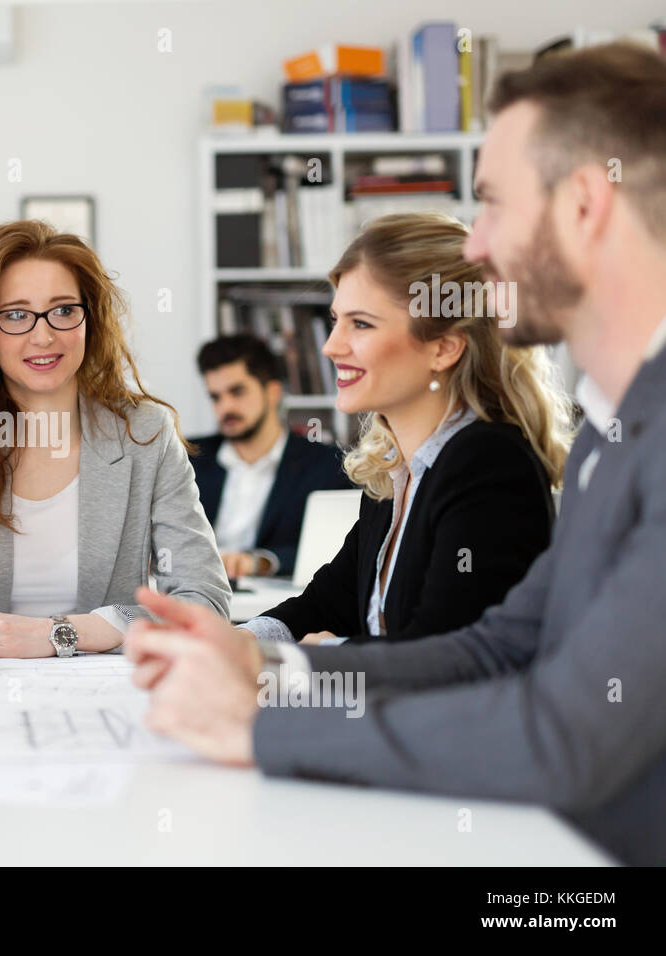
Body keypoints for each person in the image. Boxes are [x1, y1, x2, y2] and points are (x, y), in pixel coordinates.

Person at [126, 42, 666, 866]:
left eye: (491, 204)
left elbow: (562, 732)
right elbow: (496, 647)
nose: (476, 248)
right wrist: (263, 668)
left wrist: (265, 723)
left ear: (586, 202)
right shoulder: (610, 429)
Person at [0, 220, 231, 670]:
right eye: (15, 314)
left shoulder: (144, 433)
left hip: (115, 691)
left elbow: (204, 601)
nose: (44, 335)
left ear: (87, 318)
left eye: (63, 310)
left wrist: (62, 633)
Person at [238, 213, 570, 646]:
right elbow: (327, 602)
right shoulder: (395, 470)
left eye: (361, 323)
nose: (330, 346)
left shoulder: (489, 463)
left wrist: (327, 657)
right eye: (336, 319)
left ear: (444, 347)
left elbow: (444, 652)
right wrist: (242, 640)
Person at [190, 333, 351, 579]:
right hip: (193, 596)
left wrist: (261, 562)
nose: (225, 408)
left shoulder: (326, 465)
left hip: (275, 603)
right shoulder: (186, 457)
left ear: (273, 392)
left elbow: (335, 550)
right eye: (216, 397)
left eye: (237, 392)